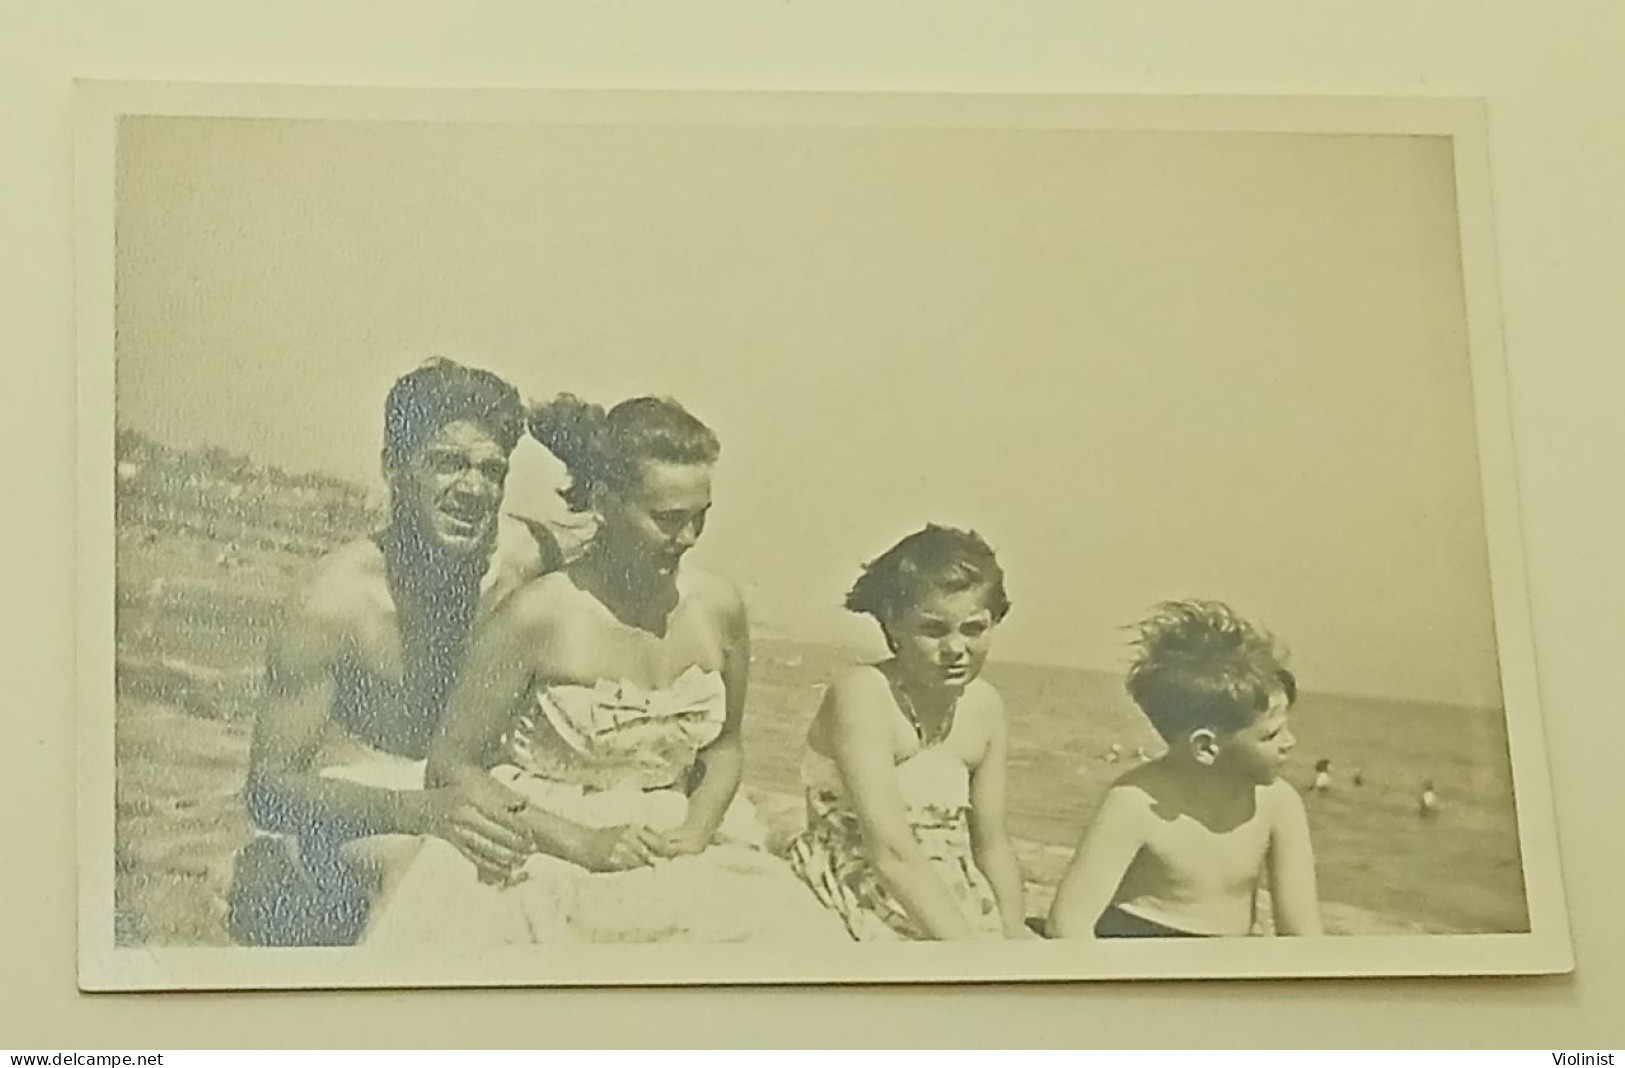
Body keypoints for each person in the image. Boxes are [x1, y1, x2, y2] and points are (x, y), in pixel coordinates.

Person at [362, 393, 844, 944]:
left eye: (698, 520)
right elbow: (450, 765)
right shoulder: (538, 614)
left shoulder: (719, 607)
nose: (685, 539)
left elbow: (725, 746)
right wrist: (580, 844)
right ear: (607, 502)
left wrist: (696, 830)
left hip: (672, 833)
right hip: (544, 841)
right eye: (667, 520)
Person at [228, 358, 567, 946]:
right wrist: (418, 811)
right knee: (436, 874)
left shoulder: (527, 558)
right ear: (393, 467)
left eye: (492, 470)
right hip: (367, 799)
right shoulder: (333, 603)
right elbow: (269, 789)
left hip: (477, 787)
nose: (473, 489)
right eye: (447, 463)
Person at [784, 525, 1030, 941]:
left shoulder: (984, 707)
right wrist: (972, 955)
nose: (955, 649)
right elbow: (891, 852)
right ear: (894, 623)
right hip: (855, 885)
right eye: (933, 630)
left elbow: (992, 844)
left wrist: (1013, 930)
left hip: (947, 891)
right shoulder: (863, 694)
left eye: (974, 629)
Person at [1047, 600, 1322, 939]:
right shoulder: (1134, 804)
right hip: (1134, 956)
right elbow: (1067, 924)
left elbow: (1303, 936)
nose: (1290, 742)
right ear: (1206, 747)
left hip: (1221, 967)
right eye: (1271, 734)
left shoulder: (1279, 805)